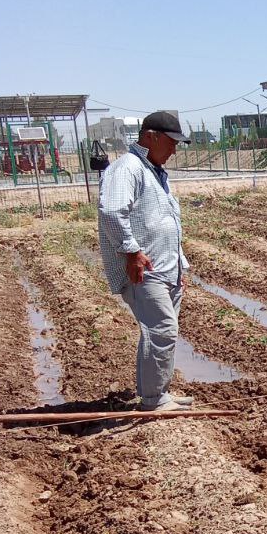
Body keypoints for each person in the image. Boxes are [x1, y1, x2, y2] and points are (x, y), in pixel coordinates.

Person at [98, 110, 192, 411]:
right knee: (162, 329)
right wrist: (132, 252)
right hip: (145, 270)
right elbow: (112, 211)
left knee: (160, 331)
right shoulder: (128, 168)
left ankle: (158, 392)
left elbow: (166, 221)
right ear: (150, 137)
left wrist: (181, 265)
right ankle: (154, 400)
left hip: (166, 269)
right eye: (171, 142)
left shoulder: (154, 171)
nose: (175, 150)